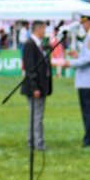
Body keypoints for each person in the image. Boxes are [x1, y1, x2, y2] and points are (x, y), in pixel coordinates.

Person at [65, 14, 90, 147]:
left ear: (88, 22)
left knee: (89, 111)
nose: (82, 26)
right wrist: (79, 56)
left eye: (83, 23)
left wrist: (72, 63)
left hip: (88, 80)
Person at [21, 21, 52, 151]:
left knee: (36, 115)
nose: (45, 32)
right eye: (44, 29)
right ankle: (37, 143)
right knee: (37, 116)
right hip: (35, 86)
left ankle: (33, 140)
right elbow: (30, 67)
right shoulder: (30, 45)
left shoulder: (39, 44)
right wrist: (34, 87)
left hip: (41, 85)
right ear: (38, 29)